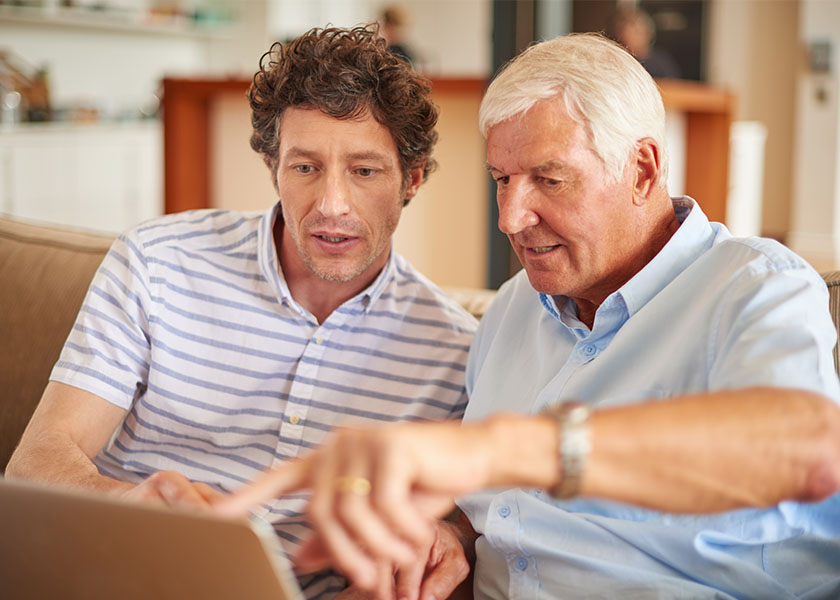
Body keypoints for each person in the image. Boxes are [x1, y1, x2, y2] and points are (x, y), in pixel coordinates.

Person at [219, 33, 840, 599]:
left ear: (642, 170)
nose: (511, 217)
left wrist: (510, 448)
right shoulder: (513, 309)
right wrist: (454, 536)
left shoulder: (754, 286)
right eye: (502, 179)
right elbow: (489, 507)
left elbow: (805, 451)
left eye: (549, 179)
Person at [5, 25, 477, 600]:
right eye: (304, 168)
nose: (332, 205)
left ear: (413, 178)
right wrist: (131, 502)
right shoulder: (156, 261)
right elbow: (38, 461)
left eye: (365, 171)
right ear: (273, 168)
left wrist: (442, 543)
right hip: (119, 578)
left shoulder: (457, 353)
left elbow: (453, 536)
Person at [611, 6, 680, 79]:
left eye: (638, 31)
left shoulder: (661, 63)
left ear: (648, 33)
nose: (635, 36)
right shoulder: (615, 62)